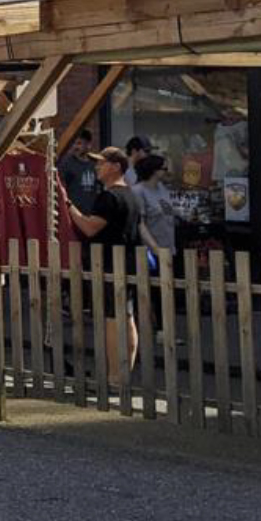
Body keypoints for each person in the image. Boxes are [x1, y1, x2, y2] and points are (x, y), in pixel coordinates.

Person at [56, 146, 141, 372]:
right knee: (127, 317)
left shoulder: (109, 196)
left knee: (113, 320)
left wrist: (67, 204)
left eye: (101, 163)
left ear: (115, 166)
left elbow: (90, 227)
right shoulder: (131, 194)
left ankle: (114, 376)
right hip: (129, 261)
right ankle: (124, 374)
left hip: (110, 264)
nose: (97, 167)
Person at [134, 153, 176, 261]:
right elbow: (140, 224)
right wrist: (156, 249)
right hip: (151, 252)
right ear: (155, 171)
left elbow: (167, 212)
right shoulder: (139, 191)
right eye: (164, 169)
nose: (167, 171)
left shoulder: (162, 188)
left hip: (169, 247)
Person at [57, 127, 100, 214]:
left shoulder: (95, 163)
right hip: (73, 214)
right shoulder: (67, 162)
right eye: (74, 143)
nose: (75, 147)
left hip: (92, 214)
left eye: (79, 143)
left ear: (88, 145)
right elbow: (60, 186)